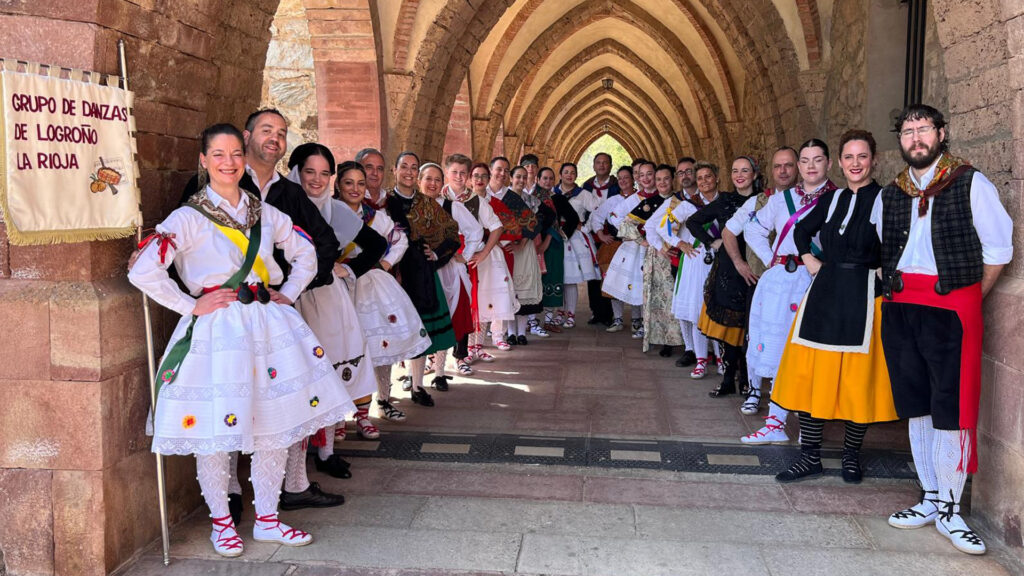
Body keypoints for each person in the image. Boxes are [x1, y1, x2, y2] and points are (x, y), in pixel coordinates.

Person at [130, 123, 351, 556]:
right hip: (218, 331)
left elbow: (305, 252)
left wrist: (289, 292)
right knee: (217, 429)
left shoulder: (263, 211)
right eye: (219, 155)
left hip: (269, 326)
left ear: (243, 158)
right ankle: (221, 524)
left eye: (235, 154)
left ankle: (268, 519)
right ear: (204, 160)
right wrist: (189, 305)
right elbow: (142, 269)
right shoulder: (188, 217)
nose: (228, 162)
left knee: (274, 426)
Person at [177, 109, 344, 521]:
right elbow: (186, 248)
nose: (274, 138)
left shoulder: (288, 194)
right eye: (266, 130)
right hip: (224, 316)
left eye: (282, 133)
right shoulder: (202, 190)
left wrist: (288, 291)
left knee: (287, 401)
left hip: (275, 314)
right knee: (229, 400)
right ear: (246, 136)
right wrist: (196, 300)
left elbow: (321, 243)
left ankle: (293, 486)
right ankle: (231, 491)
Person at [879, 105, 1011, 555]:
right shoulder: (892, 193)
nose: (916, 137)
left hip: (950, 305)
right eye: (908, 131)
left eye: (924, 129)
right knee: (916, 404)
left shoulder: (972, 183)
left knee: (950, 406)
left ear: (942, 133)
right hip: (900, 307)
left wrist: (968, 296)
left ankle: (952, 507)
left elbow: (998, 249)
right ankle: (931, 497)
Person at [771, 130, 899, 484]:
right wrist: (809, 258)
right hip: (823, 294)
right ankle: (809, 457)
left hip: (863, 298)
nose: (855, 163)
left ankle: (851, 457)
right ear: (839, 162)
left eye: (862, 156)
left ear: (873, 159)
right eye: (849, 157)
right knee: (809, 380)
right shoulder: (833, 199)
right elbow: (800, 231)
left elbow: (897, 247)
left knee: (857, 384)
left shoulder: (886, 199)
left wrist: (883, 279)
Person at [281, 145, 385, 507]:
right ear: (295, 171)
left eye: (325, 174)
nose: (317, 180)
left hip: (326, 299)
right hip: (289, 301)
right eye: (310, 171)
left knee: (328, 373)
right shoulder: (283, 204)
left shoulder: (337, 209)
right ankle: (291, 464)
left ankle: (325, 453)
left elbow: (377, 244)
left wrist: (349, 269)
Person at [738, 141, 836, 444]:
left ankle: (809, 425)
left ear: (829, 164)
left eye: (817, 160)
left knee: (810, 353)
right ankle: (775, 423)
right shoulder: (782, 200)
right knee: (780, 350)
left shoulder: (838, 199)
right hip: (781, 282)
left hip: (817, 280)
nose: (810, 166)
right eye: (805, 160)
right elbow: (753, 229)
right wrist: (772, 258)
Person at [331, 159, 432, 425]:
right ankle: (341, 418)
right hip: (337, 288)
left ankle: (377, 405)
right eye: (348, 183)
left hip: (371, 287)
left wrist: (385, 263)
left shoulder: (374, 216)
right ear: (338, 185)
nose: (355, 189)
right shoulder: (328, 213)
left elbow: (399, 238)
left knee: (379, 346)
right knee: (342, 350)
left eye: (360, 183)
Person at [385, 152, 460, 406]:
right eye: (403, 166)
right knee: (387, 330)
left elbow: (451, 232)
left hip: (419, 273)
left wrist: (436, 254)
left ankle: (417, 386)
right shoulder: (384, 202)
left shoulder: (427, 204)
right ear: (394, 170)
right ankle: (383, 395)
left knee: (420, 327)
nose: (408, 171)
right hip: (387, 272)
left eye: (413, 167)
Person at [686, 159, 759, 398]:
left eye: (745, 170)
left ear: (755, 174)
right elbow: (693, 222)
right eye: (735, 170)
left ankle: (749, 383)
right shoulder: (725, 201)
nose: (739, 175)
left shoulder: (765, 199)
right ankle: (728, 380)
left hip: (755, 268)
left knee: (750, 329)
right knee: (729, 331)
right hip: (728, 270)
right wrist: (712, 241)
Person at [659, 162, 720, 378]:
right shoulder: (687, 206)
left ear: (716, 178)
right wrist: (680, 244)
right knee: (697, 312)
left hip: (721, 259)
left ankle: (722, 358)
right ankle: (701, 359)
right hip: (696, 261)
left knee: (718, 309)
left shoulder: (726, 202)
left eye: (707, 177)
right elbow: (664, 226)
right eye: (700, 177)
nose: (704, 181)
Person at [437, 155, 487, 376]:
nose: (458, 176)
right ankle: (432, 360)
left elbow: (476, 230)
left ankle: (460, 356)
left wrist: (465, 255)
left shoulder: (456, 204)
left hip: (452, 262)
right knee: (432, 310)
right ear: (446, 173)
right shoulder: (422, 202)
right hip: (426, 265)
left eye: (462, 173)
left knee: (459, 309)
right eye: (453, 172)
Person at [604, 161, 657, 339]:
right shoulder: (634, 199)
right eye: (641, 175)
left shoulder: (664, 198)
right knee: (629, 282)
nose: (645, 179)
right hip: (635, 247)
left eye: (649, 174)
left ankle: (644, 321)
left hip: (657, 247)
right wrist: (632, 232)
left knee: (648, 285)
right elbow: (613, 217)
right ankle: (625, 319)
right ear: (638, 178)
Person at [591, 165, 640, 332]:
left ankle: (636, 320)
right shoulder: (612, 201)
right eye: (620, 178)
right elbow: (596, 218)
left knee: (634, 281)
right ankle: (617, 319)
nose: (623, 181)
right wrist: (602, 235)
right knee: (614, 282)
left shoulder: (641, 199)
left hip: (636, 245)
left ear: (633, 179)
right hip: (615, 246)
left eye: (626, 177)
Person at [642, 164, 685, 355]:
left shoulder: (679, 202)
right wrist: (658, 247)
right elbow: (646, 228)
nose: (662, 183)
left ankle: (688, 343)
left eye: (666, 179)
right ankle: (667, 340)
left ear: (673, 179)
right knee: (664, 302)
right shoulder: (650, 202)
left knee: (680, 299)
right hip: (661, 257)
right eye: (658, 179)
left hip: (682, 253)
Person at [552, 162, 602, 328]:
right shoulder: (553, 192)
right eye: (566, 172)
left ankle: (571, 314)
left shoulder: (583, 195)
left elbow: (598, 209)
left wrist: (586, 226)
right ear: (560, 174)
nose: (569, 175)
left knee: (570, 278)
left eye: (572, 172)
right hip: (556, 236)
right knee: (558, 275)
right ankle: (559, 311)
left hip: (574, 237)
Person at [501, 165, 544, 343]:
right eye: (518, 176)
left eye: (524, 177)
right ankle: (510, 332)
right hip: (507, 246)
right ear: (510, 178)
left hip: (525, 248)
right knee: (509, 288)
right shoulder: (503, 197)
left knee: (525, 290)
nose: (521, 180)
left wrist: (522, 243)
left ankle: (522, 333)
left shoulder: (532, 200)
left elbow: (535, 223)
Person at [537, 166, 580, 332]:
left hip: (553, 243)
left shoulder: (559, 199)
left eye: (550, 179)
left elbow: (573, 218)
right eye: (544, 178)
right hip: (534, 243)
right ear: (538, 180)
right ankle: (530, 321)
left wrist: (562, 233)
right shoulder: (531, 198)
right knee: (534, 280)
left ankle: (549, 320)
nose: (547, 182)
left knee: (552, 279)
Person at [582, 152, 620, 325]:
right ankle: (596, 311)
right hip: (592, 235)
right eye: (598, 162)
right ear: (594, 165)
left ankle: (609, 314)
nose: (602, 165)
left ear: (610, 166)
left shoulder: (616, 186)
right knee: (593, 274)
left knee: (609, 273)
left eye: (605, 162)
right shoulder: (587, 186)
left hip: (610, 236)